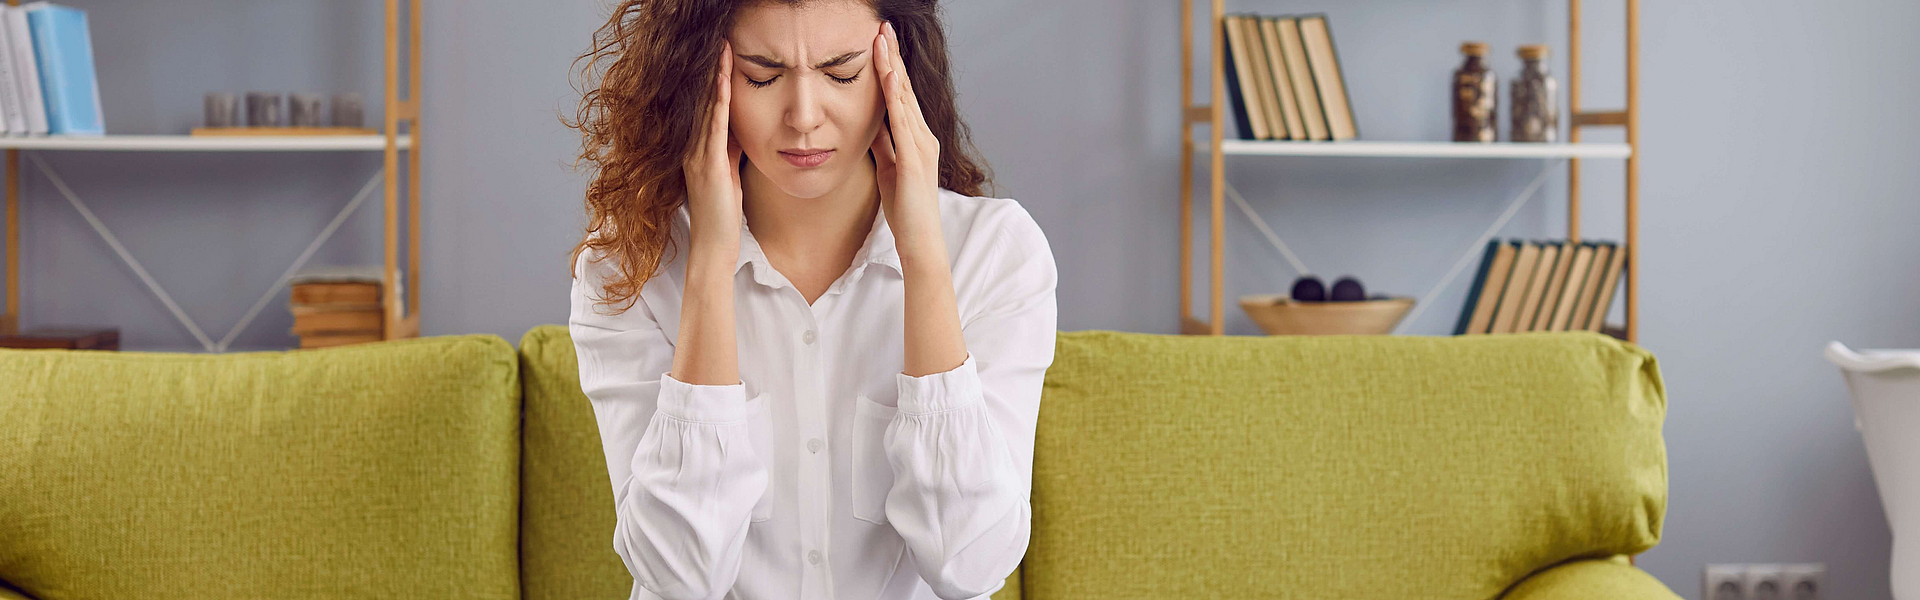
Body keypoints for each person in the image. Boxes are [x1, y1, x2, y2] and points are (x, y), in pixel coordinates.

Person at [562, 1, 1056, 599]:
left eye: (842, 73)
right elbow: (679, 576)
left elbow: (970, 564)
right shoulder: (626, 267)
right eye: (762, 76)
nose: (803, 117)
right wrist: (710, 268)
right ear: (700, 77)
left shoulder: (996, 253)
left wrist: (924, 257)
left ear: (894, 72)